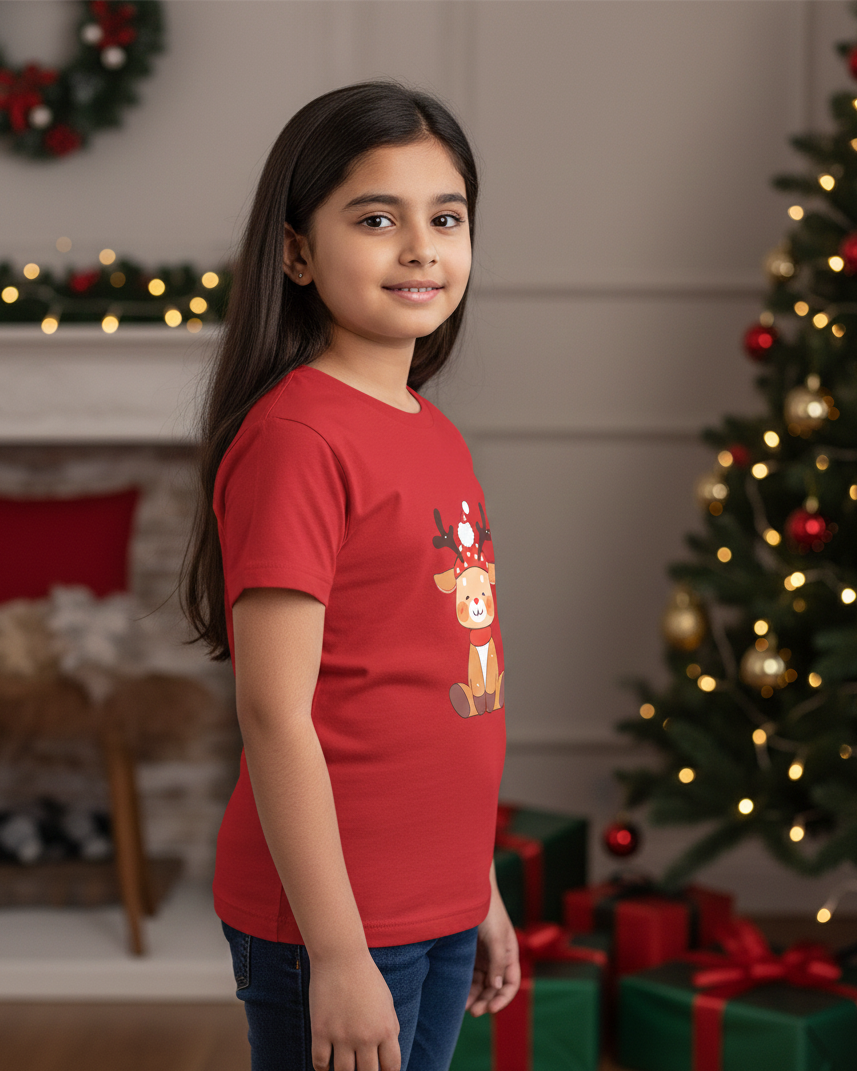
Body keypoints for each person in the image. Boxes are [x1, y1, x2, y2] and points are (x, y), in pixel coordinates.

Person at [181, 79, 520, 1071]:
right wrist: (335, 953)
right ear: (295, 252)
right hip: (334, 922)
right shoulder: (297, 439)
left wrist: (477, 886)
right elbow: (275, 714)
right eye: (376, 219)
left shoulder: (434, 433)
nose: (420, 248)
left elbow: (431, 685)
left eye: (444, 218)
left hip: (435, 899)